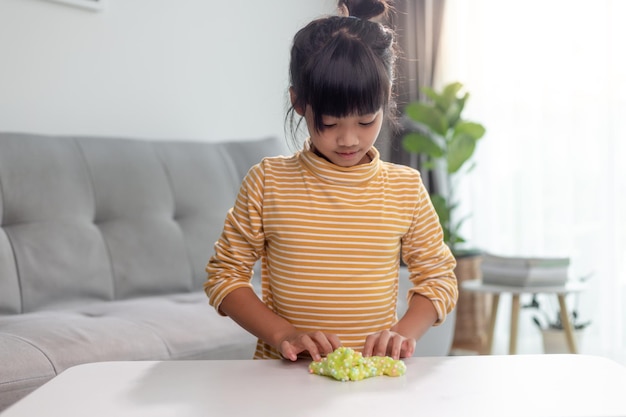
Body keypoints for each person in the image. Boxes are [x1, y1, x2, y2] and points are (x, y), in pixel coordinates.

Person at [205, 0, 458, 362]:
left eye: (366, 121)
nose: (349, 139)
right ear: (299, 103)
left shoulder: (405, 188)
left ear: (385, 101)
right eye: (330, 123)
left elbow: (439, 279)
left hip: (373, 379)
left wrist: (401, 334)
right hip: (284, 380)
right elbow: (224, 277)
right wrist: (284, 335)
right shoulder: (268, 182)